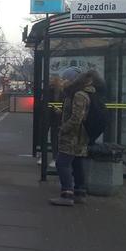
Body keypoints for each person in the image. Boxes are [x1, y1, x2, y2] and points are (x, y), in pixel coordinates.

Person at [50, 69, 103, 206]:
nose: (62, 82)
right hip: (80, 136)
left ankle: (67, 195)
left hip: (74, 136)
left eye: (64, 79)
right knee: (77, 163)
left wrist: (63, 128)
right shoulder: (81, 93)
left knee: (62, 163)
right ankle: (80, 193)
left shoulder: (79, 94)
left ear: (72, 80)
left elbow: (77, 118)